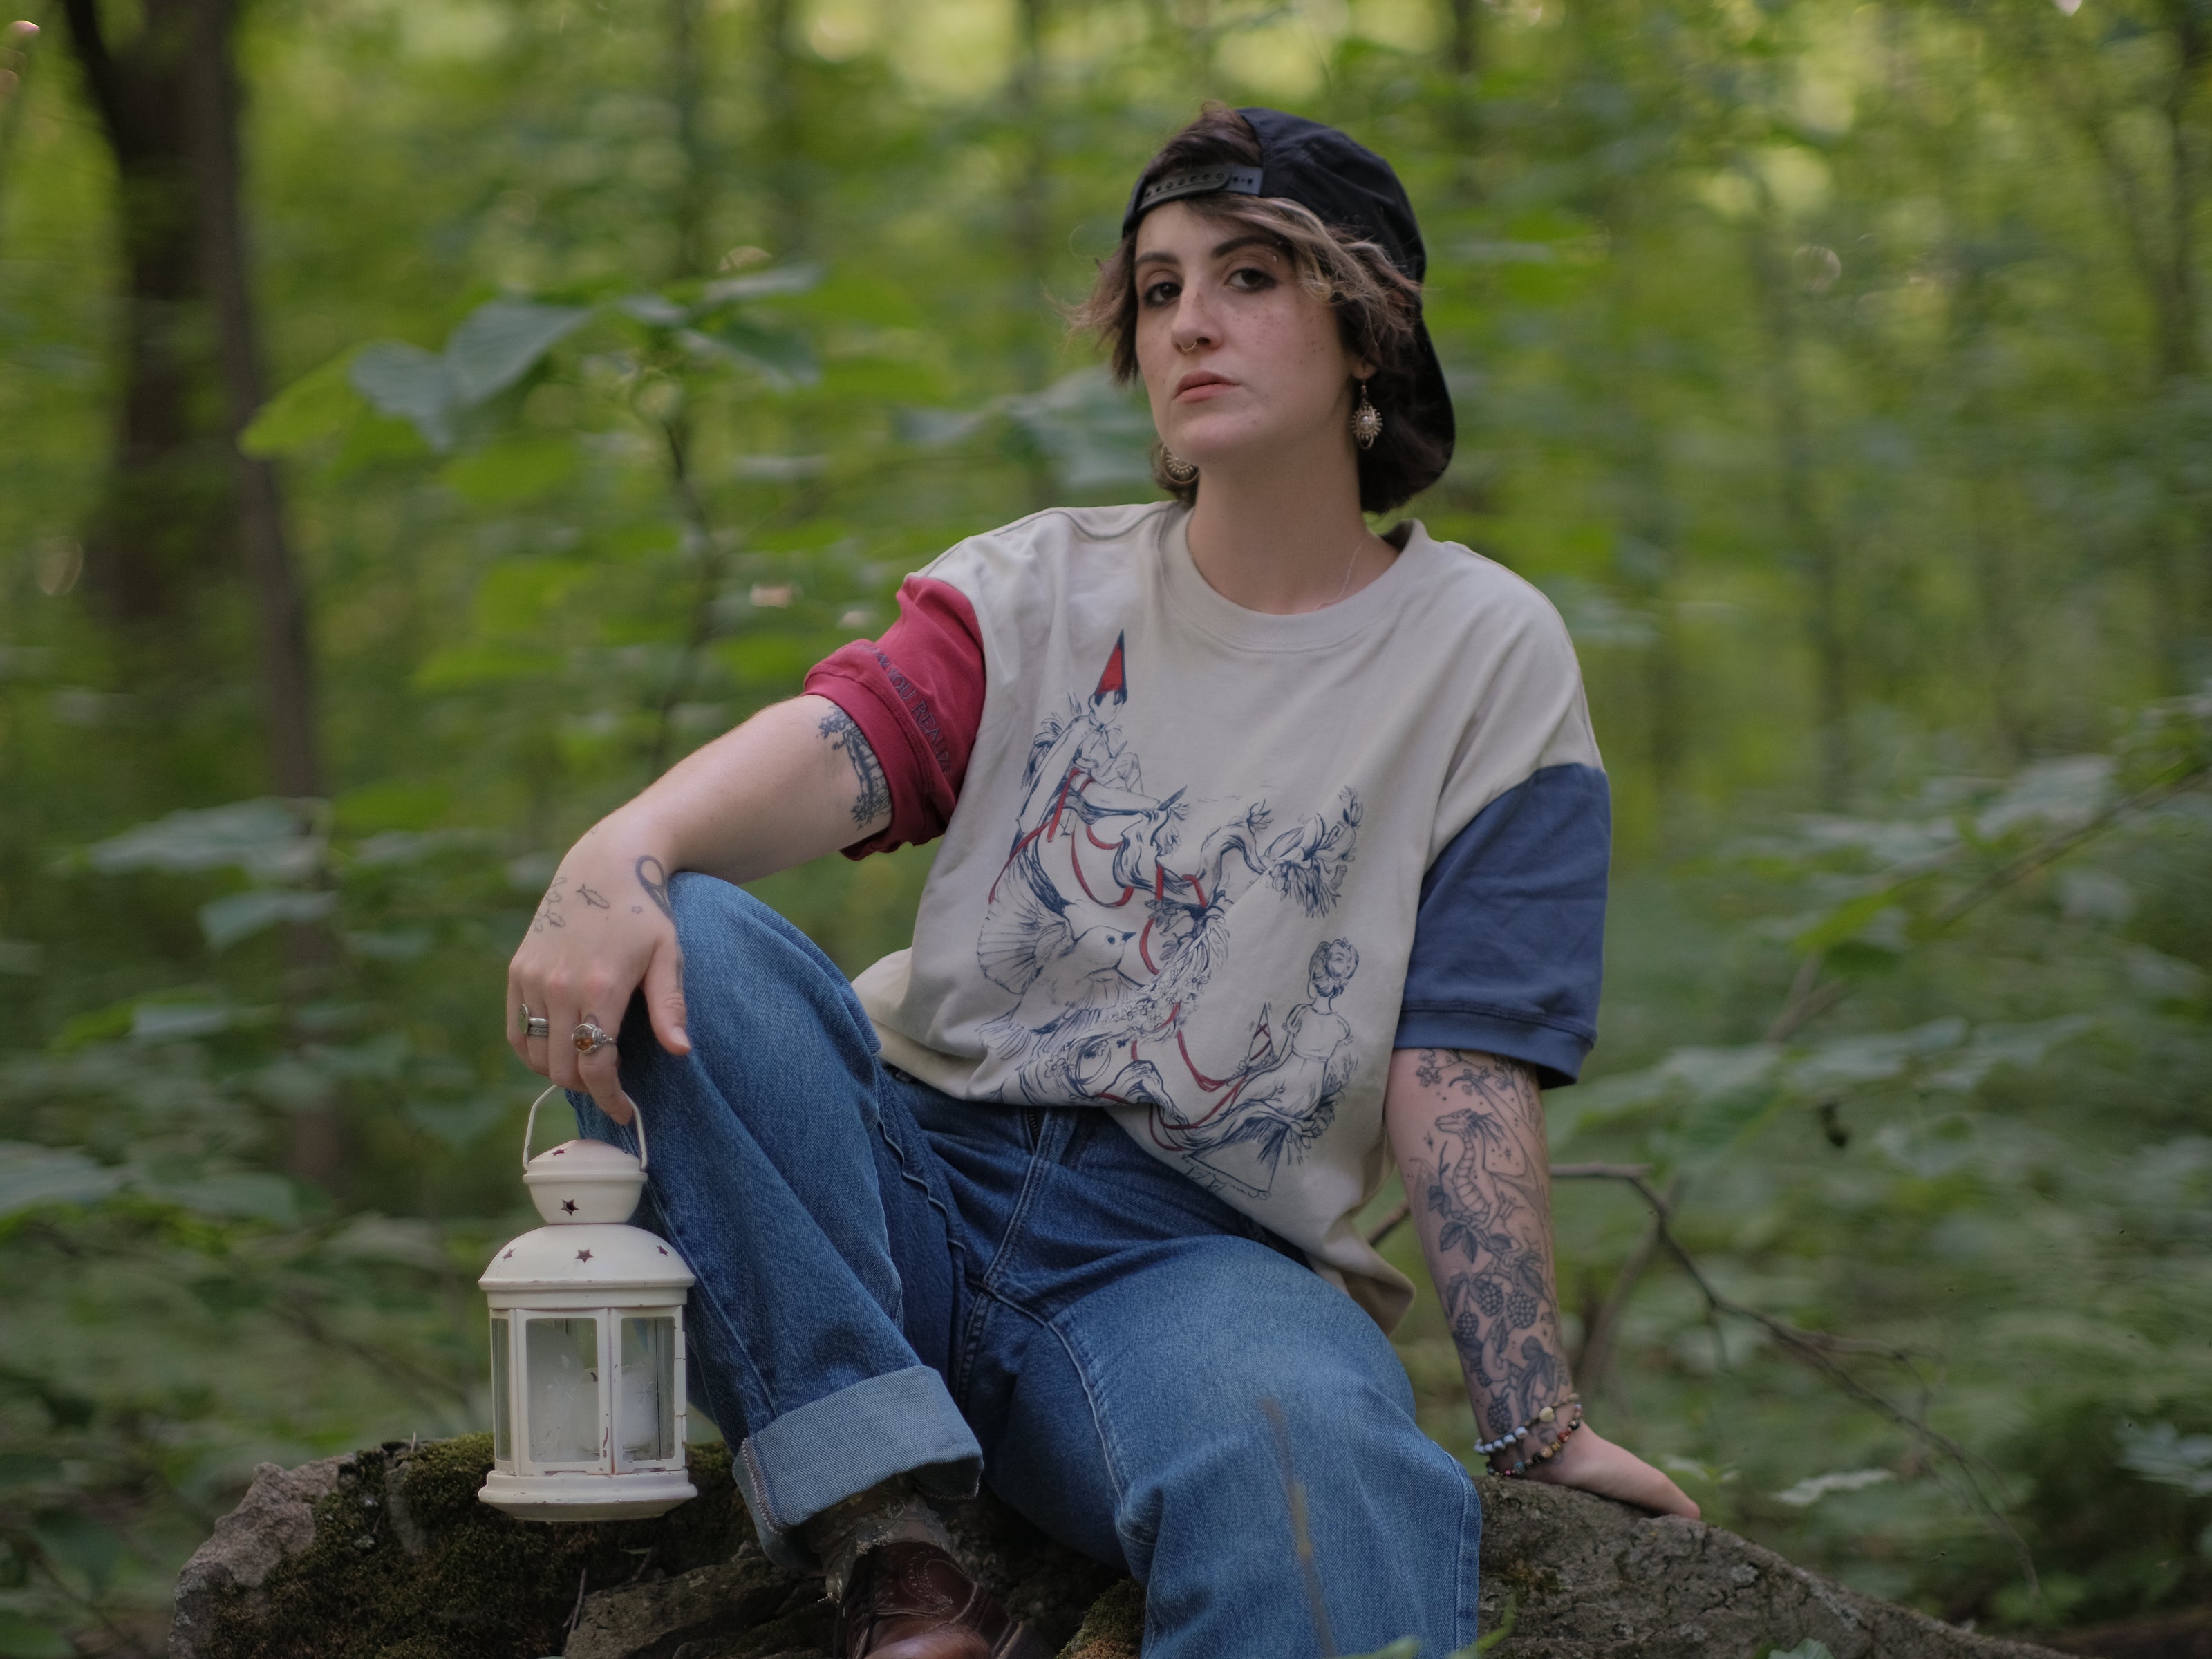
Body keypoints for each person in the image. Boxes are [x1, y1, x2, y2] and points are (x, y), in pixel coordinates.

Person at [507, 104, 1697, 1659]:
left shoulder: (1485, 654)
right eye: (1156, 288)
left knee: (1321, 1476)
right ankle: (894, 1545)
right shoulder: (1041, 589)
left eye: (1251, 275)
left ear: (1371, 327)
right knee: (702, 944)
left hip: (1192, 1265)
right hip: (894, 1184)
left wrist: (1535, 1423)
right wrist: (622, 848)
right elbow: (845, 741)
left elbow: (1458, 1061)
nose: (1189, 320)